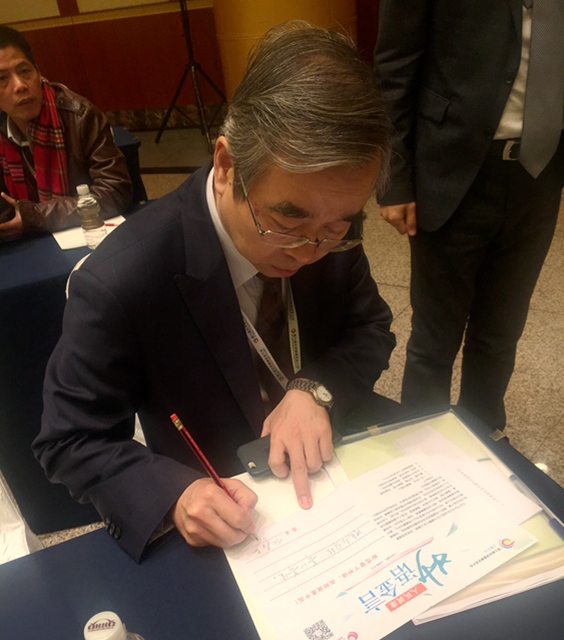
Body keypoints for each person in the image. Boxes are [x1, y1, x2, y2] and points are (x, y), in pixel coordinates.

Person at [33, 22, 398, 562]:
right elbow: (69, 440)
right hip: (222, 499)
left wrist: (313, 388)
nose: (308, 251)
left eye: (337, 225)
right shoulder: (123, 279)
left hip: (336, 461)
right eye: (286, 222)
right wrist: (173, 495)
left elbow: (369, 327)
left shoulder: (326, 223)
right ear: (227, 167)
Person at [374, 0, 564, 430]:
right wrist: (394, 176)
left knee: (501, 331)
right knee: (436, 335)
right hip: (451, 166)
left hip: (541, 171)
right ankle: (423, 442)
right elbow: (395, 65)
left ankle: (484, 434)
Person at [0, 25, 132, 240]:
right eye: (2, 78)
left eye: (25, 71)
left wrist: (35, 216)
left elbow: (115, 192)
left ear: (38, 72)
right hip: (25, 240)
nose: (20, 85)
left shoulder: (80, 116)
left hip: (85, 235)